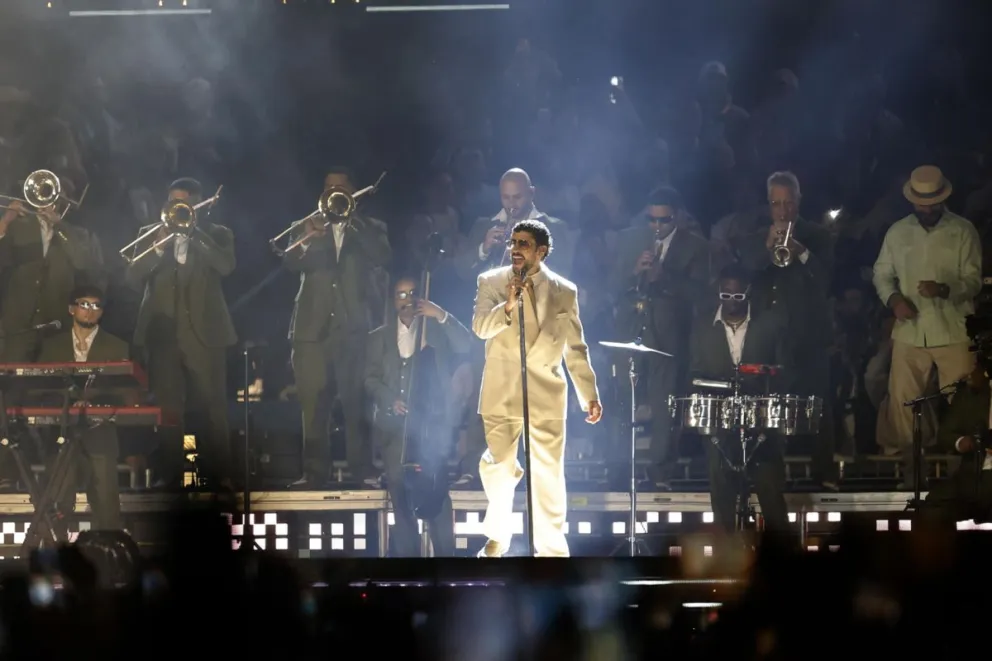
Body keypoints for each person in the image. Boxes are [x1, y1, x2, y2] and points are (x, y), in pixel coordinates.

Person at [472, 219, 601, 558]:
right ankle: (498, 536)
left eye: (524, 243)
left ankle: (552, 551)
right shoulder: (491, 282)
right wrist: (508, 305)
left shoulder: (565, 290)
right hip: (501, 392)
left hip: (546, 393)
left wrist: (588, 394)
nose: (515, 248)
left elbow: (576, 348)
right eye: (514, 242)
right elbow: (481, 328)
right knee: (498, 467)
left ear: (541, 251)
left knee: (547, 476)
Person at [872, 165, 981, 487]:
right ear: (913, 200)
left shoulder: (963, 230)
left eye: (932, 202)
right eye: (922, 202)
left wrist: (944, 289)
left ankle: (965, 472)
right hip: (908, 330)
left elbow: (973, 280)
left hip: (954, 330)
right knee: (903, 404)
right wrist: (894, 300)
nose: (927, 208)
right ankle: (911, 475)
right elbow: (881, 274)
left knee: (963, 403)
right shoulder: (897, 232)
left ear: (942, 197)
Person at [124, 177, 236, 489]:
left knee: (213, 407)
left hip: (206, 334)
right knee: (169, 408)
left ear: (197, 205)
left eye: (182, 203)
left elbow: (226, 266)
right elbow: (132, 275)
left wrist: (193, 232)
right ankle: (173, 474)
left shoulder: (217, 234)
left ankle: (218, 474)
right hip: (163, 336)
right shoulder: (149, 235)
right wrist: (158, 247)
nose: (175, 208)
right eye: (171, 202)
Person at [286, 166, 392, 488]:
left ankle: (362, 472)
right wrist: (306, 239)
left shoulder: (370, 227)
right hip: (310, 331)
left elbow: (383, 257)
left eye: (340, 187)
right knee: (313, 406)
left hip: (354, 329)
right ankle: (314, 474)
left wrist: (353, 225)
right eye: (328, 186)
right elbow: (289, 263)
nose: (333, 192)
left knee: (356, 403)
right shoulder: (304, 226)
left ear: (353, 192)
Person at [733, 170, 836, 490]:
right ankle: (768, 474)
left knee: (819, 405)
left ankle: (826, 474)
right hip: (769, 335)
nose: (782, 210)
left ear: (798, 202)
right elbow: (743, 279)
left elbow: (827, 280)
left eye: (788, 203)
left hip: (807, 333)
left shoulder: (819, 236)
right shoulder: (756, 239)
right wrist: (767, 248)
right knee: (766, 406)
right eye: (776, 203)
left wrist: (801, 251)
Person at [364, 274, 474, 556]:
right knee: (400, 501)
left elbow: (466, 343)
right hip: (395, 431)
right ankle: (409, 567)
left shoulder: (432, 332)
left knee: (436, 496)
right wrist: (391, 399)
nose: (407, 300)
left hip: (429, 429)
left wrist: (441, 315)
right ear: (393, 301)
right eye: (401, 295)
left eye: (412, 293)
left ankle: (445, 563)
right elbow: (370, 380)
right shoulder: (378, 338)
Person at [611, 185, 710, 490]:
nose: (656, 226)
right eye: (651, 219)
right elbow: (610, 286)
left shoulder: (696, 246)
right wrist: (633, 272)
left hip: (668, 335)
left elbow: (700, 295)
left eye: (663, 220)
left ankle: (660, 474)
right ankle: (617, 471)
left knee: (665, 405)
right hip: (630, 329)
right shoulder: (630, 239)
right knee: (620, 402)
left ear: (677, 217)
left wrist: (662, 277)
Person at [688, 265, 791, 539]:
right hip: (720, 416)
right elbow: (695, 372)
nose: (731, 301)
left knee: (769, 486)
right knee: (720, 487)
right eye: (725, 295)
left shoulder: (769, 324)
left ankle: (782, 551)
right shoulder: (702, 327)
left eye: (737, 296)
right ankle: (726, 552)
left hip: (760, 415)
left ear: (748, 293)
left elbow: (783, 370)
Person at [36, 285, 129, 531]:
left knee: (106, 504)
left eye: (96, 305)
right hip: (61, 431)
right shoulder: (52, 346)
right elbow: (40, 387)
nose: (90, 310)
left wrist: (95, 404)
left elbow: (124, 390)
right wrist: (66, 404)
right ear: (71, 309)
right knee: (57, 500)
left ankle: (109, 555)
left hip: (100, 431)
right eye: (84, 304)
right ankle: (56, 555)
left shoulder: (118, 346)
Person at [0, 173, 104, 362]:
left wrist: (59, 226)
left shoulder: (76, 234)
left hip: (56, 325)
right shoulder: (18, 227)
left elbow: (82, 262)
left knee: (51, 386)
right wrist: (5, 221)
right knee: (13, 385)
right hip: (18, 325)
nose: (50, 199)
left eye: (56, 194)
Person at [459, 168, 575, 279]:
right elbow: (463, 274)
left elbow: (561, 276)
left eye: (517, 197)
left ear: (531, 193)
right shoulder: (483, 226)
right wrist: (483, 250)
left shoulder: (555, 228)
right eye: (505, 197)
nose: (511, 204)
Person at [922, 363, 992, 525]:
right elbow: (945, 434)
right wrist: (961, 442)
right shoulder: (971, 394)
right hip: (972, 474)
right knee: (932, 505)